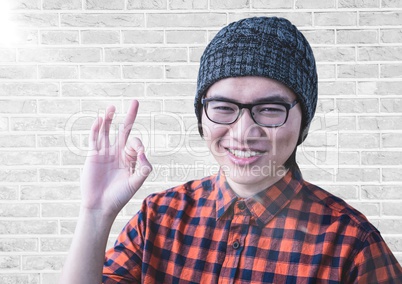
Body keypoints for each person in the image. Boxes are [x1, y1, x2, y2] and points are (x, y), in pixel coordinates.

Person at [59, 17, 402, 283]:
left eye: (269, 109)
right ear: (202, 115)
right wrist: (95, 212)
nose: (243, 133)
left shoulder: (351, 244)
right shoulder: (158, 218)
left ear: (303, 120)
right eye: (223, 107)